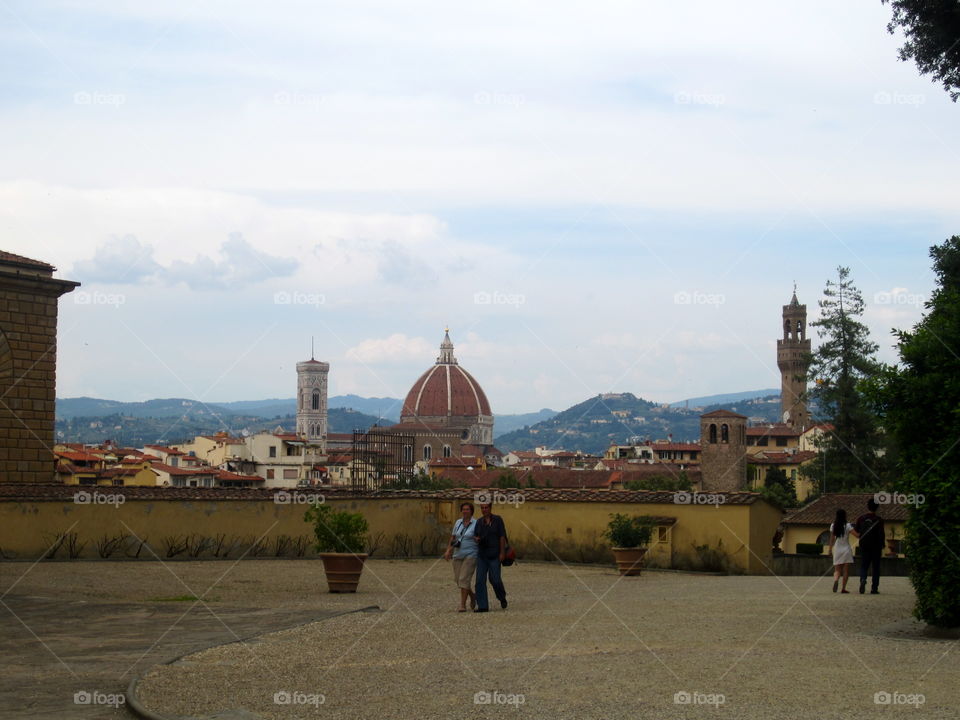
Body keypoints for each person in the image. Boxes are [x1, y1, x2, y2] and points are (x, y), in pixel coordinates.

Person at [443, 502, 478, 612]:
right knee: (459, 580)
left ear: (471, 511)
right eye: (463, 509)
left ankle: (462, 605)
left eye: (467, 509)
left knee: (464, 578)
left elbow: (479, 537)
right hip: (457, 554)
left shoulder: (476, 523)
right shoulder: (458, 522)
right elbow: (453, 537)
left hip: (471, 554)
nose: (465, 511)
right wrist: (448, 550)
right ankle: (472, 596)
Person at [473, 501, 507, 612]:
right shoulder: (479, 522)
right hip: (482, 555)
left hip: (495, 554)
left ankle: (501, 597)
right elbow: (476, 535)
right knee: (479, 581)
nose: (484, 509)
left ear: (490, 508)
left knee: (495, 579)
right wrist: (476, 539)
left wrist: (502, 553)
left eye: (486, 507)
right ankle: (482, 606)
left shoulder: (498, 520)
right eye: (482, 508)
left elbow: (502, 537)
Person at [855, 498, 885, 594]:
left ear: (867, 506)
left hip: (864, 546)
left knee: (864, 566)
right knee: (876, 568)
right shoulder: (879, 520)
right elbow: (881, 534)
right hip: (876, 547)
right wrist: (882, 545)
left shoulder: (861, 518)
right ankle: (874, 588)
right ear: (877, 508)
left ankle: (863, 579)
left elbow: (857, 530)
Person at [828, 508, 856, 593]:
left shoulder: (833, 525)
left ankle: (836, 580)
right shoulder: (848, 525)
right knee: (846, 570)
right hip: (846, 549)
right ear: (845, 516)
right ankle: (843, 588)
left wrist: (829, 550)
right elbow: (857, 535)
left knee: (837, 569)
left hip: (837, 548)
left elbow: (832, 539)